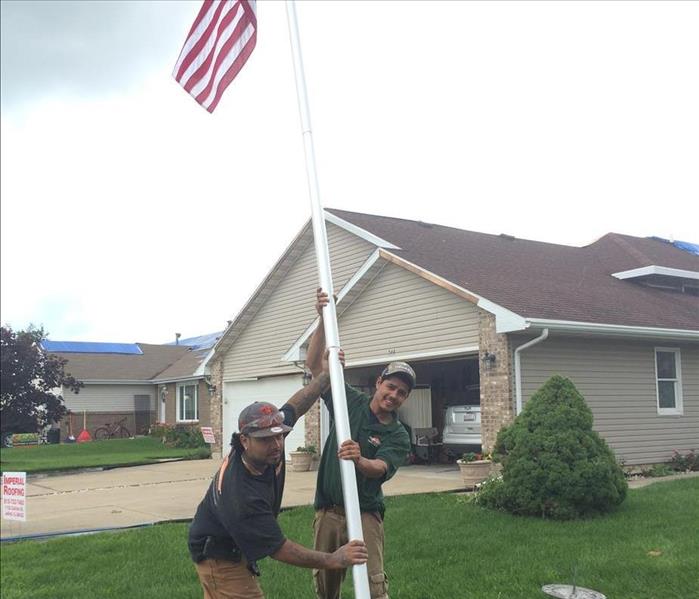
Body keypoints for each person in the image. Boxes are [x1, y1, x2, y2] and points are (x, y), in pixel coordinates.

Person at [188, 349, 368, 599]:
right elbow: (280, 549)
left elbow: (299, 403)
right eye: (265, 440)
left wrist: (326, 375)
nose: (276, 444)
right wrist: (333, 558)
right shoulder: (242, 493)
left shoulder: (265, 445)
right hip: (219, 555)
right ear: (245, 440)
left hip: (234, 545)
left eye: (279, 435)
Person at [306, 288, 414, 599]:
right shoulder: (347, 401)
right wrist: (324, 318)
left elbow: (379, 468)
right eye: (391, 386)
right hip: (327, 511)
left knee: (372, 585)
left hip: (365, 514)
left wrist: (359, 459)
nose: (393, 395)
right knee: (326, 585)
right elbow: (314, 365)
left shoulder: (398, 434)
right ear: (379, 382)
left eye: (401, 393)